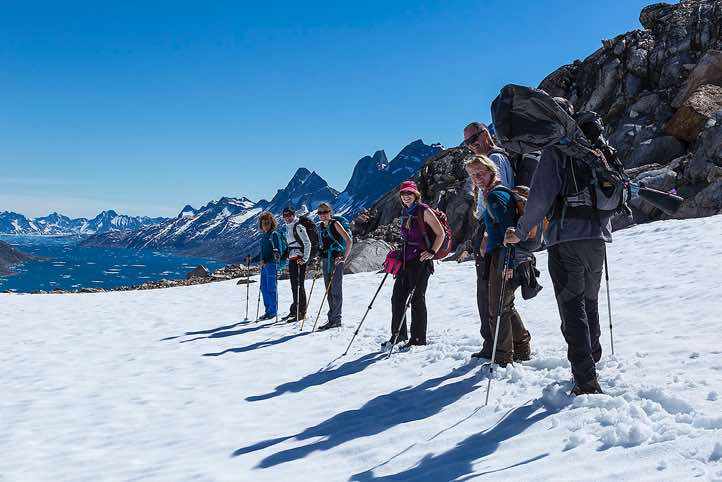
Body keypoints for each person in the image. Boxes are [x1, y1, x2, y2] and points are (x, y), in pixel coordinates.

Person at [504, 99, 610, 394]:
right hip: (597, 238)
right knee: (589, 301)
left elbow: (540, 198)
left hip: (565, 240)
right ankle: (592, 359)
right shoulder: (594, 146)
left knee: (571, 306)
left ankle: (586, 381)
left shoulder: (555, 150)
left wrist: (521, 232)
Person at [464, 156, 531, 366]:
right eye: (473, 175)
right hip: (499, 255)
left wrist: (507, 263)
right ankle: (521, 347)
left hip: (502, 257)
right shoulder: (491, 194)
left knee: (497, 308)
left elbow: (508, 231)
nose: (477, 178)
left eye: (480, 173)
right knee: (505, 305)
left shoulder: (495, 197)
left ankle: (503, 357)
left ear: (491, 171)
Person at [463, 122, 515, 361]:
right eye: (467, 142)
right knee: (497, 296)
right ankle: (516, 343)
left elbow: (501, 199)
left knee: (491, 295)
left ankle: (496, 347)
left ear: (486, 135)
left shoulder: (495, 161)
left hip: (492, 232)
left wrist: (485, 234)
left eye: (474, 138)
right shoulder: (493, 160)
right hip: (490, 230)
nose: (471, 145)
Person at [382, 180, 445, 349]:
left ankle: (418, 339)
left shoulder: (423, 210)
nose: (406, 196)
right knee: (398, 298)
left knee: (417, 299)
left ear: (416, 194)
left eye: (409, 193)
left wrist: (432, 252)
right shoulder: (405, 211)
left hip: (421, 261)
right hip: (406, 259)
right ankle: (398, 335)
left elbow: (441, 233)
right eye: (403, 193)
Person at [316, 202, 352, 330]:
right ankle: (332, 318)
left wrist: (344, 258)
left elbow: (348, 240)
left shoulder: (335, 224)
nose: (322, 215)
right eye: (320, 212)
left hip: (336, 260)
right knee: (329, 290)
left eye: (325, 212)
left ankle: (336, 319)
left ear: (330, 212)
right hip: (327, 260)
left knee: (336, 289)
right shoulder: (321, 226)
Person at [280, 207, 312, 322]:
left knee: (299, 285)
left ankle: (301, 312)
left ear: (293, 215)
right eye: (285, 215)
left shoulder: (298, 226)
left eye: (289, 215)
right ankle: (294, 310)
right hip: (292, 258)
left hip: (299, 259)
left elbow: (307, 243)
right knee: (294, 285)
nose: (287, 217)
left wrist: (305, 259)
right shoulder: (288, 227)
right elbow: (291, 244)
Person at [257, 211, 282, 321]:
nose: (265, 225)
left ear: (271, 223)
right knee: (264, 288)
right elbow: (262, 253)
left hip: (271, 265)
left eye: (267, 223)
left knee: (271, 288)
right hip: (264, 266)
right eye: (263, 223)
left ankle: (272, 312)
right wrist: (252, 259)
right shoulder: (263, 236)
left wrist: (267, 261)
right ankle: (268, 311)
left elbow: (278, 252)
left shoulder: (274, 234)